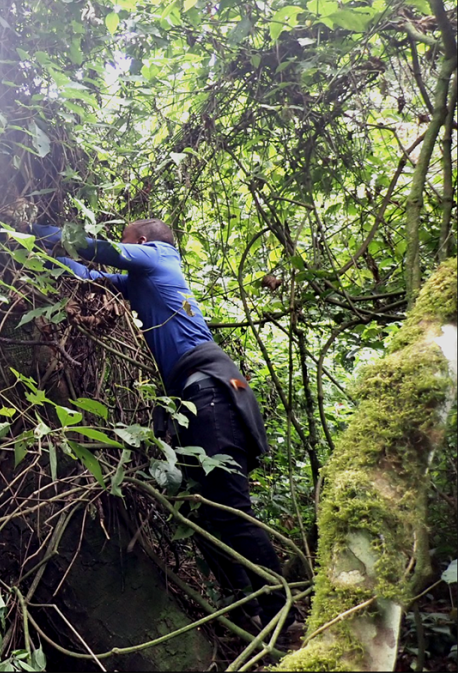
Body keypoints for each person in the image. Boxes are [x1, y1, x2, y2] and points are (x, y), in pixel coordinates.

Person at [31, 218, 297, 636]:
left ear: (140, 242)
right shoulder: (141, 281)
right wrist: (39, 256)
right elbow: (87, 271)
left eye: (127, 243)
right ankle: (247, 610)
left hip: (212, 391)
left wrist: (31, 228)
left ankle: (282, 615)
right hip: (196, 397)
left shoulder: (159, 257)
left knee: (229, 508)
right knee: (203, 510)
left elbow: (98, 250)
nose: (125, 248)